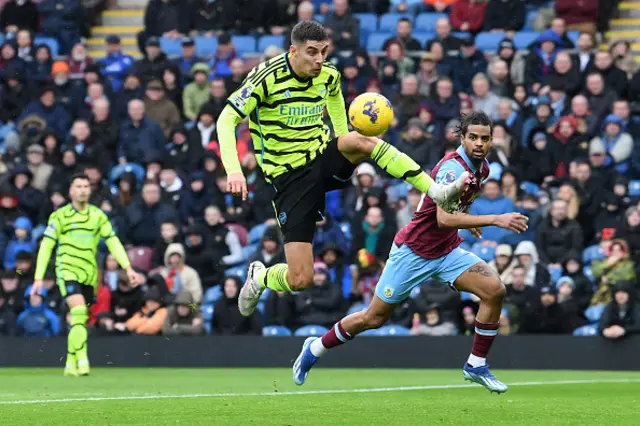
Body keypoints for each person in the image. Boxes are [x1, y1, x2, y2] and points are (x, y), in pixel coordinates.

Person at [217, 21, 469, 316]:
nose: (319, 59)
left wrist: (341, 136)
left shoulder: (328, 74)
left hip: (321, 156)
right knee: (301, 278)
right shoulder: (265, 78)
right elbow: (226, 120)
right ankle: (260, 277)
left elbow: (335, 93)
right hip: (289, 179)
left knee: (361, 141)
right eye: (311, 52)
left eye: (323, 52)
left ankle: (436, 190)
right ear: (293, 50)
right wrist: (233, 170)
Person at [291, 112, 529, 393]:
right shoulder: (453, 170)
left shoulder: (483, 169)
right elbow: (443, 219)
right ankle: (315, 347)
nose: (479, 143)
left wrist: (467, 216)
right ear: (462, 139)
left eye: (485, 138)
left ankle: (476, 364)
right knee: (374, 318)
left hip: (446, 250)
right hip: (413, 252)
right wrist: (493, 219)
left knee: (494, 291)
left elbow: (454, 210)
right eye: (473, 137)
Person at [31, 174, 141, 376]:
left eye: (86, 186)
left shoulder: (98, 215)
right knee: (79, 310)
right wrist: (38, 277)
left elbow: (113, 241)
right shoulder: (60, 216)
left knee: (80, 319)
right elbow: (46, 246)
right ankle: (83, 360)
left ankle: (70, 362)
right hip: (67, 270)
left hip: (90, 274)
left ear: (90, 190)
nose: (82, 190)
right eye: (78, 186)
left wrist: (128, 268)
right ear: (71, 191)